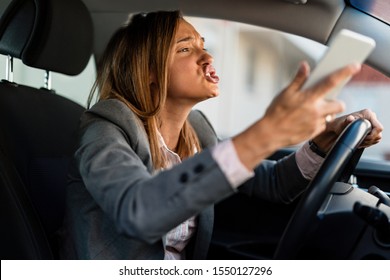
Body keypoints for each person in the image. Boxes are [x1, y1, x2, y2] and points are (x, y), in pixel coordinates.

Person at [60, 10, 383, 260]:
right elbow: (139, 213)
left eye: (204, 45)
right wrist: (265, 134)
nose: (207, 57)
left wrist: (323, 141)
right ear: (148, 72)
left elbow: (272, 185)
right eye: (186, 49)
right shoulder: (105, 129)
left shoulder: (196, 130)